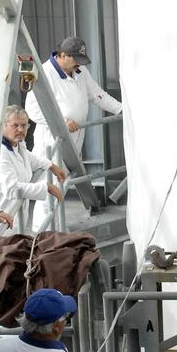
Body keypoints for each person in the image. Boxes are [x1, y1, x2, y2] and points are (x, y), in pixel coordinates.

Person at [26, 36, 122, 231]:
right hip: (52, 140)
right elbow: (32, 109)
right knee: (49, 184)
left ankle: (56, 227)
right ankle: (42, 231)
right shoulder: (45, 74)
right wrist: (61, 123)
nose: (79, 64)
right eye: (76, 59)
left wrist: (121, 110)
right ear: (63, 55)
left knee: (63, 183)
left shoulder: (79, 71)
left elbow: (97, 94)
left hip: (74, 139)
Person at [0, 105, 66, 236]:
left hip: (15, 222)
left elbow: (28, 157)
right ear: (3, 125)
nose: (20, 130)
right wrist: (46, 187)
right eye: (15, 126)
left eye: (24, 125)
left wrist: (50, 165)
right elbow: (12, 188)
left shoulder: (18, 143)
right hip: (1, 229)